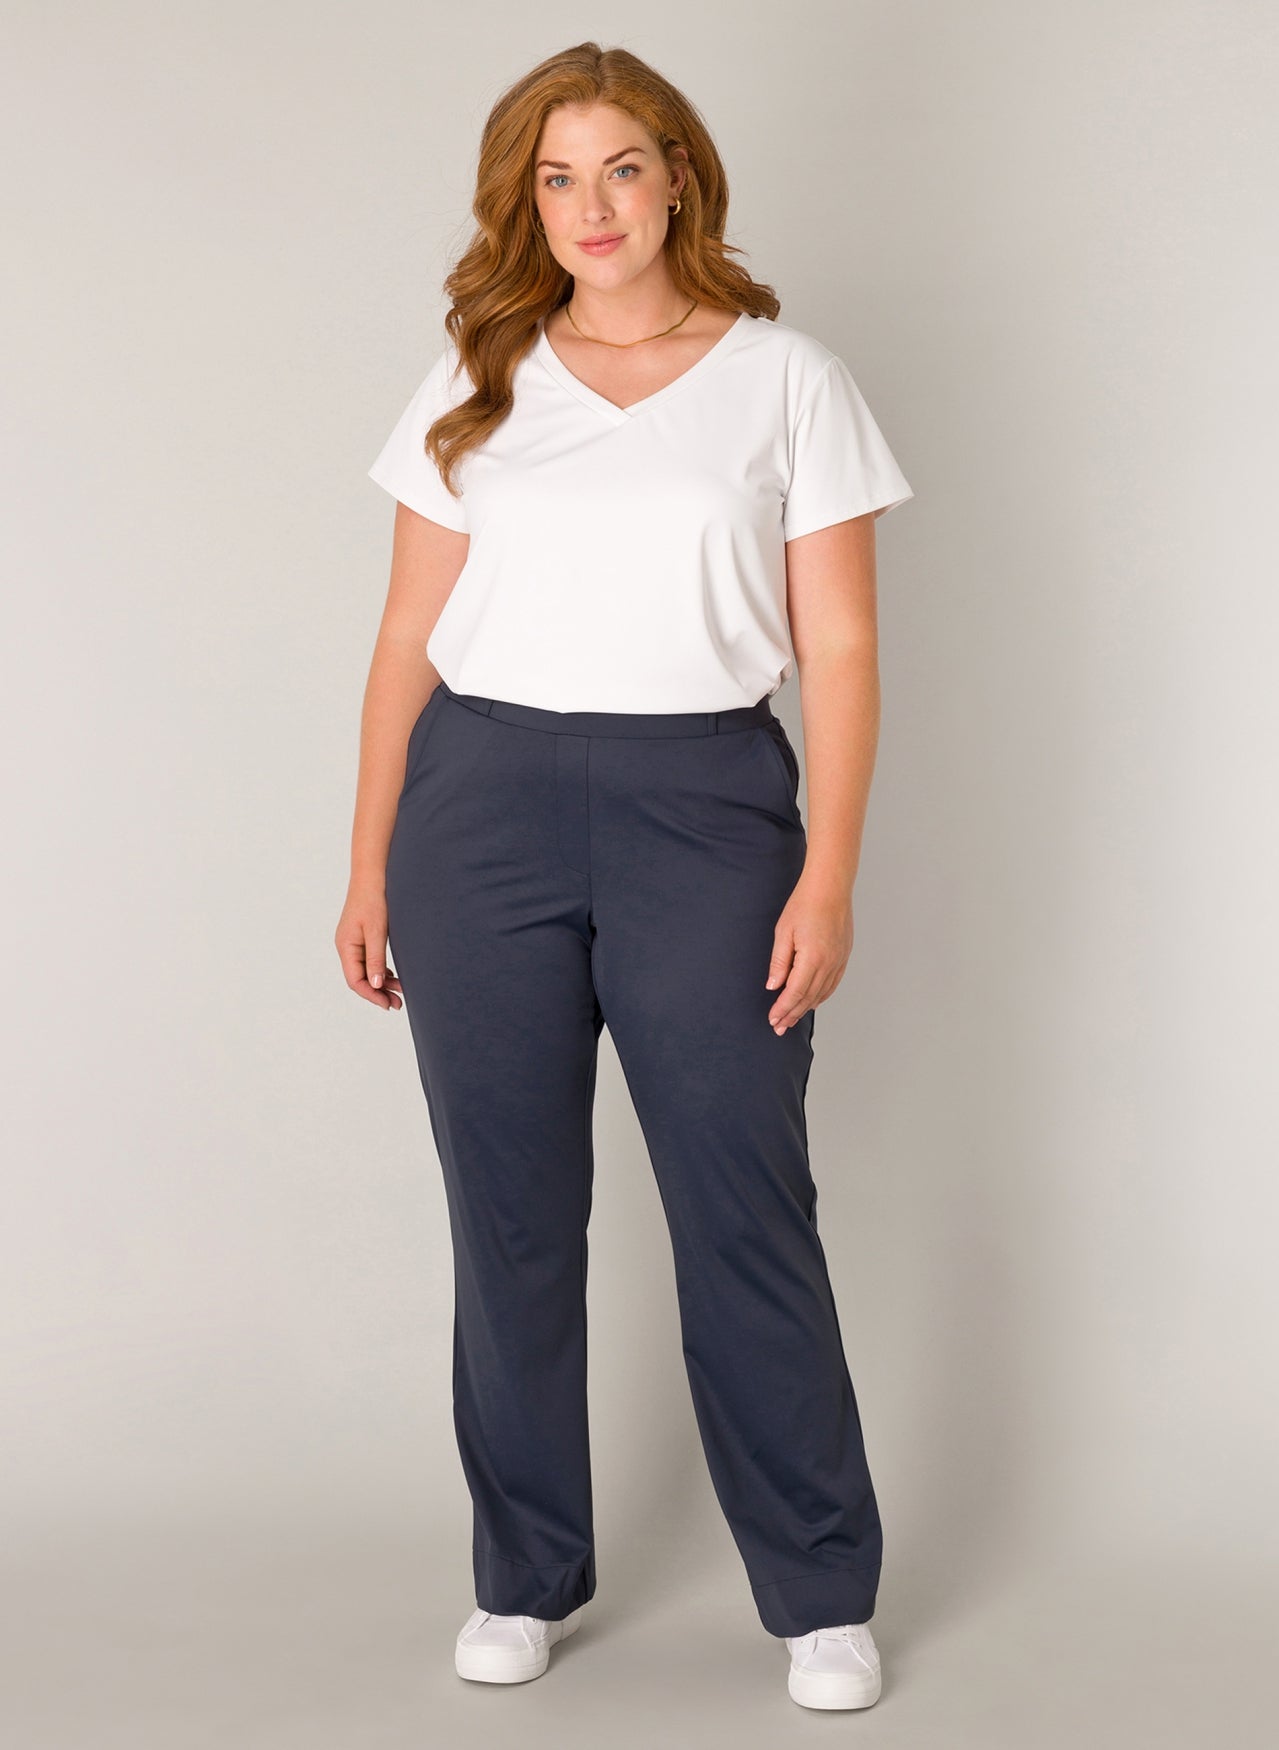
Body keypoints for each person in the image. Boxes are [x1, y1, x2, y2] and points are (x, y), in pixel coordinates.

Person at [337, 41, 914, 1713]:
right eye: (555, 178)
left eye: (621, 168)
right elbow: (404, 634)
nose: (591, 206)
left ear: (679, 178)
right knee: (511, 1214)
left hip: (706, 810)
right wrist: (367, 859)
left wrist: (829, 872)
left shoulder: (787, 379)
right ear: (527, 202)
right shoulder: (479, 373)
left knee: (744, 1201)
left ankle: (821, 1590)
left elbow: (842, 648)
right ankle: (521, 1573)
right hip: (480, 811)